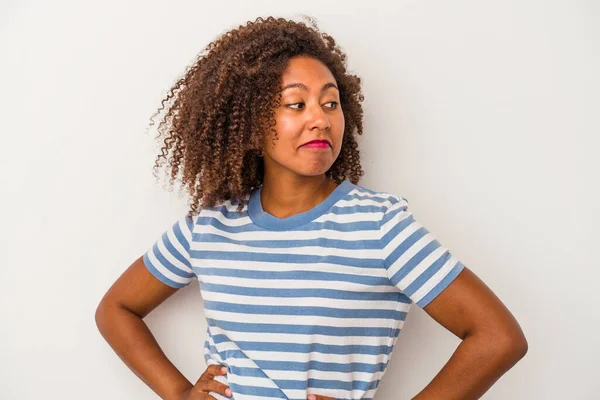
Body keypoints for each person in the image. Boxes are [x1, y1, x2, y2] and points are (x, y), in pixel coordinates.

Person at [95, 16, 528, 400]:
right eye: (295, 104)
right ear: (249, 121)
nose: (320, 118)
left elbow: (498, 338)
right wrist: (177, 392)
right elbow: (116, 310)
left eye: (331, 102)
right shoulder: (208, 227)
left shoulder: (378, 226)